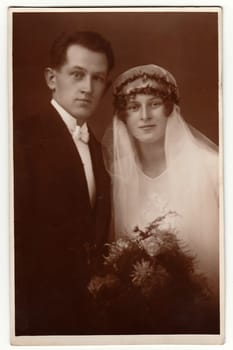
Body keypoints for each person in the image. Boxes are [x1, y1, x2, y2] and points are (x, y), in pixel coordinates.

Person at [103, 64, 220, 331]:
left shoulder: (214, 169)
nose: (145, 115)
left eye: (154, 103)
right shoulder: (117, 178)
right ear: (123, 116)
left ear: (170, 110)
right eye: (133, 107)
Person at [14, 31, 114, 335]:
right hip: (29, 314)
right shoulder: (20, 139)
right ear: (51, 78)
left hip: (82, 312)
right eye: (77, 74)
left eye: (98, 78)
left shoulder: (98, 149)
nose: (87, 88)